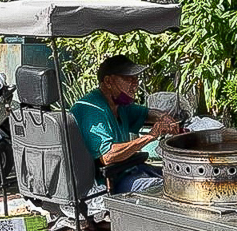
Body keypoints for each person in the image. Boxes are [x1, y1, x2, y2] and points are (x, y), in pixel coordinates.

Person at [71, 55, 180, 194]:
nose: (135, 84)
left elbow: (145, 113)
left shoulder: (118, 105)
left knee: (177, 178)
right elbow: (108, 156)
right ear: (109, 81)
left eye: (136, 78)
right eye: (129, 79)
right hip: (109, 182)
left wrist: (163, 117)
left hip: (130, 169)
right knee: (167, 189)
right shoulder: (92, 110)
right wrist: (150, 136)